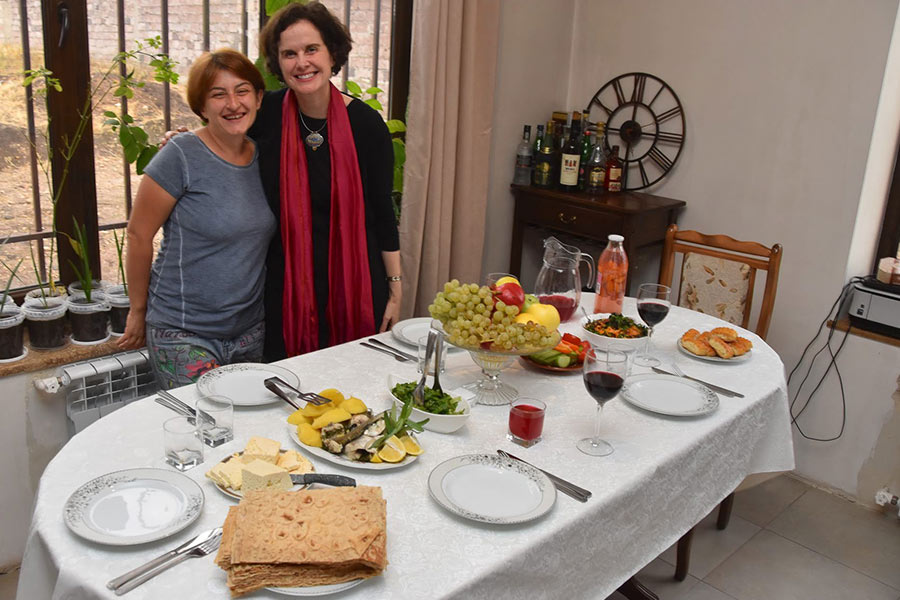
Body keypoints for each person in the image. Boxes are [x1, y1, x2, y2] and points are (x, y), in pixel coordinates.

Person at [117, 49, 275, 389]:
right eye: (218, 94)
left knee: (245, 434)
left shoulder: (268, 157)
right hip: (183, 331)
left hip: (249, 331)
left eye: (242, 90)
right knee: (203, 429)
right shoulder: (181, 154)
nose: (233, 103)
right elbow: (138, 235)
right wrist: (137, 310)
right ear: (202, 107)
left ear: (259, 98)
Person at [253, 2, 401, 360]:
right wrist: (182, 138)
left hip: (355, 285)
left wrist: (396, 289)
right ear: (278, 63)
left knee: (353, 392)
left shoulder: (366, 125)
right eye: (289, 53)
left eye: (311, 49)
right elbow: (222, 136)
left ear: (332, 53)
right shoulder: (266, 115)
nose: (301, 62)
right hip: (285, 288)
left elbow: (383, 213)